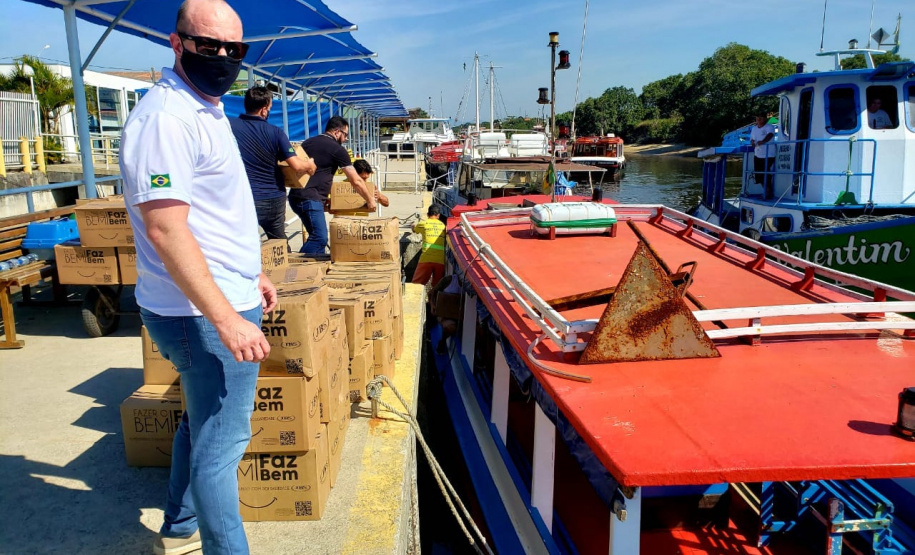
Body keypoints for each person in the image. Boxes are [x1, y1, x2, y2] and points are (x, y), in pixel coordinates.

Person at [118, 1, 275, 553]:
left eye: (235, 50)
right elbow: (165, 228)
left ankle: (181, 520)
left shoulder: (205, 106)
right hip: (198, 315)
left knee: (199, 418)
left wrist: (248, 276)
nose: (223, 58)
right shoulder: (167, 117)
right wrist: (227, 316)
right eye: (208, 46)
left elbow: (210, 216)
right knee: (222, 443)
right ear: (177, 42)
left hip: (215, 299)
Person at [230, 86, 315, 240]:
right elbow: (296, 165)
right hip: (273, 197)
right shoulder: (275, 132)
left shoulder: (229, 127)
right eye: (269, 108)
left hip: (242, 197)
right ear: (264, 110)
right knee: (278, 242)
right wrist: (310, 164)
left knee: (242, 241)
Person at [289, 116, 375, 254]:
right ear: (337, 132)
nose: (346, 138)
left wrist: (324, 199)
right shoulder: (337, 149)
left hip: (296, 196)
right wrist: (370, 199)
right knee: (319, 238)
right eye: (345, 134)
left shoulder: (308, 142)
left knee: (315, 238)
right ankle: (296, 267)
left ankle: (314, 271)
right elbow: (356, 180)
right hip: (310, 198)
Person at [411, 205, 446, 287]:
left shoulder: (423, 224)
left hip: (426, 259)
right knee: (437, 286)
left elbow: (414, 229)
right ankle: (433, 299)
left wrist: (413, 225)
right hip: (440, 261)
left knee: (417, 284)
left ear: (427, 215)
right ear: (438, 215)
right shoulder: (443, 226)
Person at [750, 113, 775, 199]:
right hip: (758, 154)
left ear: (764, 119)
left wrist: (763, 141)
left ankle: (768, 192)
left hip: (768, 154)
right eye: (757, 118)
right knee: (759, 174)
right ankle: (765, 190)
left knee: (765, 173)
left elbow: (770, 135)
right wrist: (753, 142)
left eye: (760, 118)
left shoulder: (769, 127)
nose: (758, 120)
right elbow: (752, 139)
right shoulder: (754, 128)